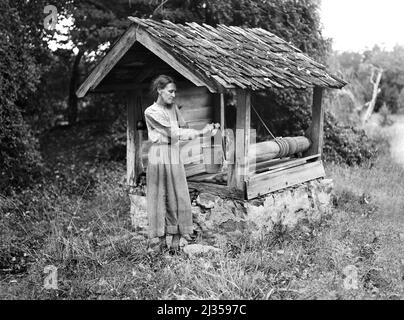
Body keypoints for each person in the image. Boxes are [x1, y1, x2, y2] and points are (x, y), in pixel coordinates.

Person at [144, 75, 219, 253]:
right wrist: (200, 133)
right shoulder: (150, 112)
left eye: (175, 91)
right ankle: (162, 243)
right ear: (159, 91)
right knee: (160, 195)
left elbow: (183, 128)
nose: (174, 95)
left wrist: (207, 129)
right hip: (158, 155)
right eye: (170, 91)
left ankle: (176, 243)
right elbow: (172, 132)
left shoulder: (173, 109)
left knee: (179, 195)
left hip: (173, 154)